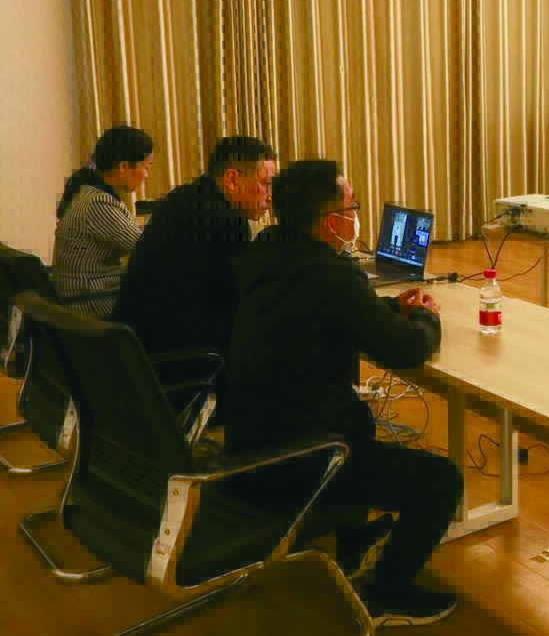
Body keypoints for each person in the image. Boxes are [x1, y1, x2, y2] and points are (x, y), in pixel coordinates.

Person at [224, 160, 461, 626]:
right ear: (329, 220)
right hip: (303, 458)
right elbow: (407, 350)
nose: (355, 216)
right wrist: (426, 317)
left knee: (362, 426)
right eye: (351, 207)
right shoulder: (330, 275)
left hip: (249, 445)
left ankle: (353, 540)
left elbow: (320, 312)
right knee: (441, 480)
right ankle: (387, 593)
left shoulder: (264, 254)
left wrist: (384, 306)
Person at [113, 136, 276, 359]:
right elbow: (244, 298)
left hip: (133, 343)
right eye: (265, 184)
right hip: (174, 351)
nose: (270, 196)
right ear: (231, 179)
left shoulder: (182, 198)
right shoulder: (227, 221)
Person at [51, 125, 153, 318]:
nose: (146, 175)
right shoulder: (98, 203)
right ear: (123, 167)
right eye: (146, 167)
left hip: (87, 295)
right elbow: (147, 248)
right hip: (91, 302)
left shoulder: (90, 191)